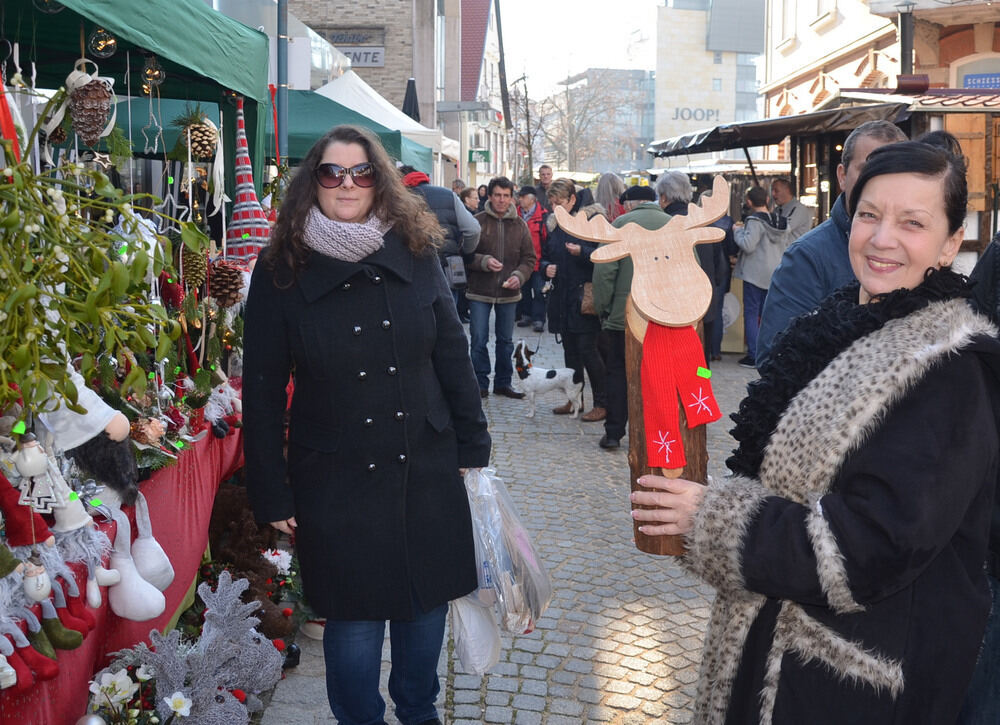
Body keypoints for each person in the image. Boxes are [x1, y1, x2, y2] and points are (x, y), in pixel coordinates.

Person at [632, 141, 1000, 724]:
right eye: (869, 214)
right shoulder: (839, 322)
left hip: (849, 682)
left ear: (952, 242)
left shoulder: (948, 369)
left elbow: (870, 546)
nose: (882, 238)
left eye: (913, 223)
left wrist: (712, 519)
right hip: (779, 651)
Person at [242, 125, 491, 725]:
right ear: (313, 182)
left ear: (380, 181)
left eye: (361, 172)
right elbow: (262, 390)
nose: (347, 184)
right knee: (353, 615)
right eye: (332, 172)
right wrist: (271, 490)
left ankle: (419, 711)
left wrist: (472, 441)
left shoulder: (415, 248)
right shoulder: (280, 268)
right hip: (336, 470)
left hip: (423, 457)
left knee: (425, 599)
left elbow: (451, 350)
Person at [756, 120, 907, 367]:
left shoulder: (918, 247)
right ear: (843, 176)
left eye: (895, 171)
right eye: (869, 169)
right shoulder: (808, 256)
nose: (882, 181)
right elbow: (774, 358)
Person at [592, 184, 668, 450]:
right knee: (657, 376)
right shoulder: (673, 225)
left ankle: (614, 432)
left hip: (624, 317)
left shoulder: (620, 224)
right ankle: (654, 434)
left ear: (629, 205)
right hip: (663, 318)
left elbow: (604, 273)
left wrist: (604, 309)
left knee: (617, 373)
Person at [544, 178, 608, 421]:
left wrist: (582, 252)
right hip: (562, 297)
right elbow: (546, 255)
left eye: (559, 203)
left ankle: (602, 402)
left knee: (588, 351)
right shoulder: (555, 225)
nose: (554, 208)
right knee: (570, 352)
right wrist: (546, 267)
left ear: (572, 199)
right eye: (551, 203)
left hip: (584, 298)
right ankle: (575, 400)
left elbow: (604, 256)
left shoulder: (593, 221)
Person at [468, 176, 536, 399]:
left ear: (512, 198)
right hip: (479, 291)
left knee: (505, 342)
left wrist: (519, 276)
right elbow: (465, 254)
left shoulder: (520, 225)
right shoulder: (477, 222)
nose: (501, 200)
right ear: (489, 196)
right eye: (497, 195)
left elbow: (529, 258)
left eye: (506, 196)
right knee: (478, 340)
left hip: (509, 293)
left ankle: (503, 383)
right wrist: (484, 261)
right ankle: (480, 383)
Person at [657, 170, 727, 366]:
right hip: (706, 303)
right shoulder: (705, 222)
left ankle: (682, 386)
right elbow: (721, 268)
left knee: (678, 361)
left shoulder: (664, 226)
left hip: (675, 308)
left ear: (664, 198)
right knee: (702, 359)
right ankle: (703, 383)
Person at [400, 166, 479, 323]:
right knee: (448, 321)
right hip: (448, 268)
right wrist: (465, 253)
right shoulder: (448, 195)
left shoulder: (400, 198)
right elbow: (473, 229)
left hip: (412, 270)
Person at [732, 186, 790, 367]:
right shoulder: (782, 222)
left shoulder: (754, 221)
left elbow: (748, 245)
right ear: (767, 199)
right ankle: (770, 353)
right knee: (769, 315)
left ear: (749, 202)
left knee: (751, 314)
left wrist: (737, 231)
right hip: (775, 273)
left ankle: (754, 355)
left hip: (754, 274)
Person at [515, 186, 548, 332]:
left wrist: (546, 261)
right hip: (521, 262)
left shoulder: (543, 216)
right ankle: (526, 315)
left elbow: (547, 240)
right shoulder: (515, 214)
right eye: (520, 197)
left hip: (538, 261)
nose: (520, 199)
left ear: (532, 199)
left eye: (523, 197)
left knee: (539, 290)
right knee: (524, 290)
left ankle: (539, 319)